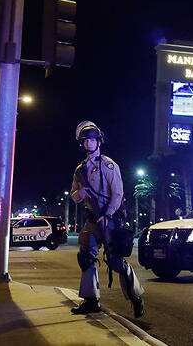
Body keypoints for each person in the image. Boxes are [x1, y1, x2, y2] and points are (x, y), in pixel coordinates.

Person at [69, 121, 145, 317]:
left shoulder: (109, 165)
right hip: (92, 220)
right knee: (86, 258)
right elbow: (73, 194)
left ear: (99, 141)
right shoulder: (80, 169)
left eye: (92, 140)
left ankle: (136, 297)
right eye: (85, 140)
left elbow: (118, 194)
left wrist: (108, 215)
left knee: (116, 262)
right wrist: (81, 193)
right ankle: (91, 300)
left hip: (110, 219)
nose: (88, 143)